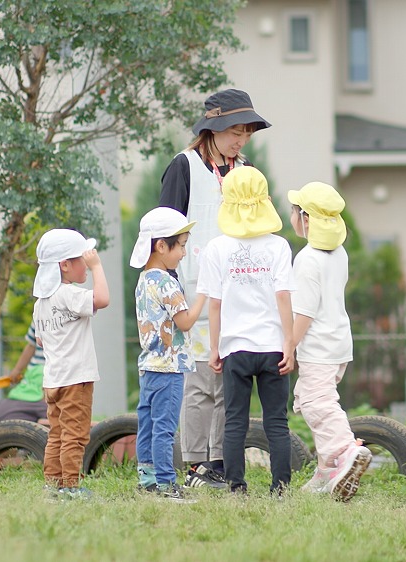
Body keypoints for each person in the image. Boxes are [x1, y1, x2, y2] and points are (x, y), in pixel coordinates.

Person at [159, 88, 272, 489]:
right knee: (199, 385)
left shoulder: (246, 171)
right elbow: (165, 232)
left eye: (246, 132)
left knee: (230, 385)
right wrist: (168, 292)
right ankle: (194, 465)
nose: (239, 139)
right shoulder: (184, 166)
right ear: (212, 128)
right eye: (233, 130)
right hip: (193, 292)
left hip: (239, 294)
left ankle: (220, 462)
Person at [196, 166, 295, 495]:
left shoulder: (216, 249)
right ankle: (280, 488)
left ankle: (236, 486)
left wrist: (214, 348)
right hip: (273, 348)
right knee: (276, 422)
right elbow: (284, 298)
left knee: (234, 421)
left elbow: (215, 304)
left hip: (235, 348)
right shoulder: (279, 247)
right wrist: (290, 344)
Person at [287, 182, 372, 501]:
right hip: (339, 344)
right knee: (316, 396)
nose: (292, 216)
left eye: (295, 212)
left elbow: (304, 313)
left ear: (306, 218)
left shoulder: (307, 259)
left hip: (318, 346)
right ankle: (326, 473)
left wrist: (288, 347)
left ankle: (345, 450)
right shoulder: (339, 253)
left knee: (315, 402)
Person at [129, 207, 206, 503]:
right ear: (161, 246)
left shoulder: (144, 280)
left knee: (147, 424)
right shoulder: (166, 281)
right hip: (170, 367)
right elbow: (184, 321)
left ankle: (147, 478)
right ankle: (165, 482)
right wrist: (204, 297)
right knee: (165, 427)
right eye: (182, 246)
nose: (184, 253)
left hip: (149, 365)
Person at [32, 228, 109, 501]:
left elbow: (41, 340)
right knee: (75, 435)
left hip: (53, 380)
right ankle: (71, 487)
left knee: (57, 434)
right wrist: (98, 267)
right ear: (64, 265)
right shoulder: (68, 294)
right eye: (82, 259)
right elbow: (102, 299)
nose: (86, 263)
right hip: (76, 378)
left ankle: (53, 484)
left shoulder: (40, 302)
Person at [0, 327, 47, 424]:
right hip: (47, 372)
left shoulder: (4, 403)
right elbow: (31, 345)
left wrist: (17, 370)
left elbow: (31, 345)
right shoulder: (40, 407)